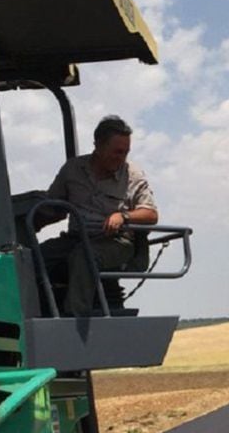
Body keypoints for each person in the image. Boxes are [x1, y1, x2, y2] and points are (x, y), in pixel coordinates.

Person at [39, 115, 158, 315]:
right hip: (75, 238)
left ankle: (75, 320)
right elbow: (53, 207)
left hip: (115, 242)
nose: (122, 158)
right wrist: (30, 220)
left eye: (125, 152)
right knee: (29, 257)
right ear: (98, 145)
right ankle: (35, 313)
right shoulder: (73, 170)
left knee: (84, 256)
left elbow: (151, 214)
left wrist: (124, 217)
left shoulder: (133, 175)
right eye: (117, 152)